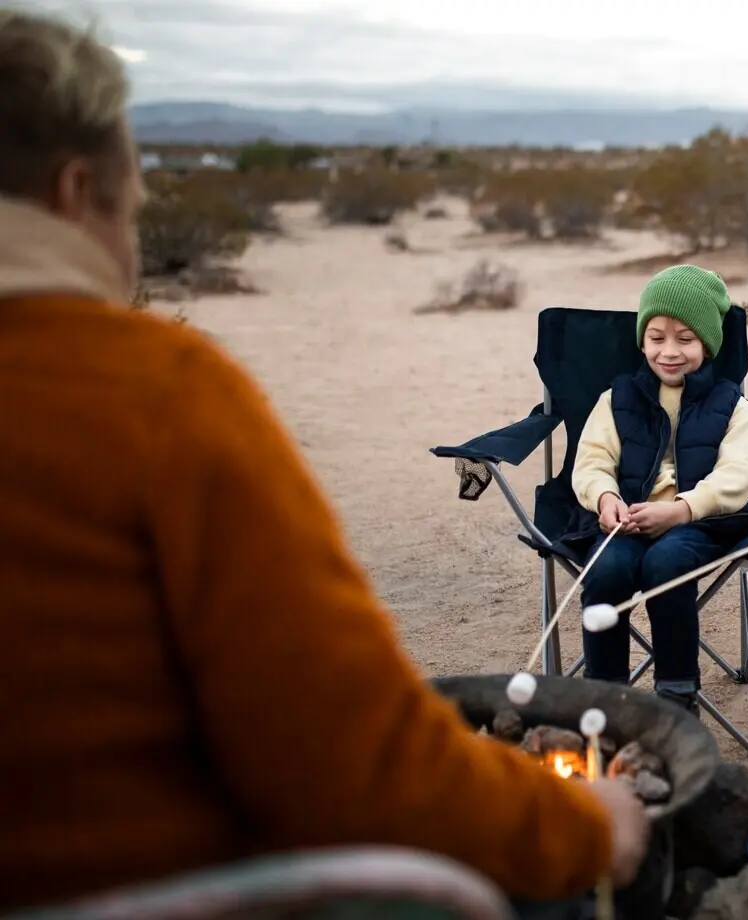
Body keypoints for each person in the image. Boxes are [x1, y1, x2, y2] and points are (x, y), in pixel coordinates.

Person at [0, 9, 647, 916]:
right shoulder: (148, 396)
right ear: (75, 194)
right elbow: (346, 759)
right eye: (134, 212)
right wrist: (586, 828)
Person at [573, 264, 748, 712]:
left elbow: (736, 478)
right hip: (627, 519)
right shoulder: (615, 399)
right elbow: (592, 463)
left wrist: (681, 509)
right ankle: (606, 701)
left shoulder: (733, 407)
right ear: (642, 342)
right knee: (605, 572)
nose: (670, 351)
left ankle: (677, 699)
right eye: (657, 337)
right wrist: (606, 498)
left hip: (701, 523)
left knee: (667, 564)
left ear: (708, 344)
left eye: (685, 338)